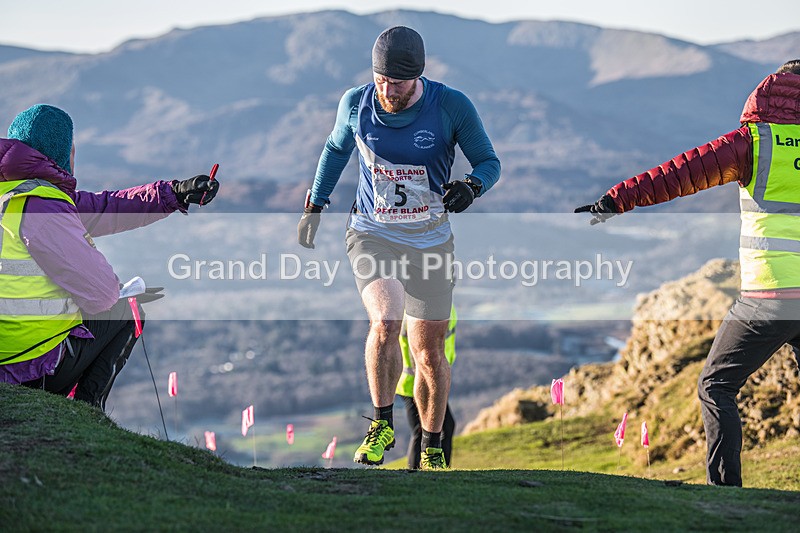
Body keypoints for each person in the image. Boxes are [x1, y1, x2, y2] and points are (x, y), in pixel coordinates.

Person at [576, 60, 800, 487]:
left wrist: (617, 199)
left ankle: (726, 490)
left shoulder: (754, 142)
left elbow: (683, 172)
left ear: (769, 93)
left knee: (716, 385)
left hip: (769, 297)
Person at [297, 26, 500, 469]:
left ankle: (431, 447)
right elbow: (335, 150)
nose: (387, 89)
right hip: (371, 231)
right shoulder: (356, 102)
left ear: (418, 77)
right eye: (380, 79)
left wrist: (472, 186)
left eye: (398, 83)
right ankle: (381, 424)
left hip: (429, 239)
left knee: (428, 353)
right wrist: (315, 204)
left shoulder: (450, 105)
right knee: (385, 322)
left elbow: (489, 162)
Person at [0, 104, 219, 411]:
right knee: (126, 309)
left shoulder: (14, 194)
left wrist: (175, 193)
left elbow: (106, 208)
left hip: (8, 354)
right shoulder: (43, 207)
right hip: (25, 367)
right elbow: (102, 296)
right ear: (63, 153)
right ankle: (88, 411)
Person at [397, 305, 457, 469]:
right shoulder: (419, 308)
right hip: (414, 383)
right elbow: (418, 349)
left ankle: (435, 468)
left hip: (428, 382)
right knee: (421, 430)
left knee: (445, 427)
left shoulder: (445, 305)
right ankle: (418, 471)